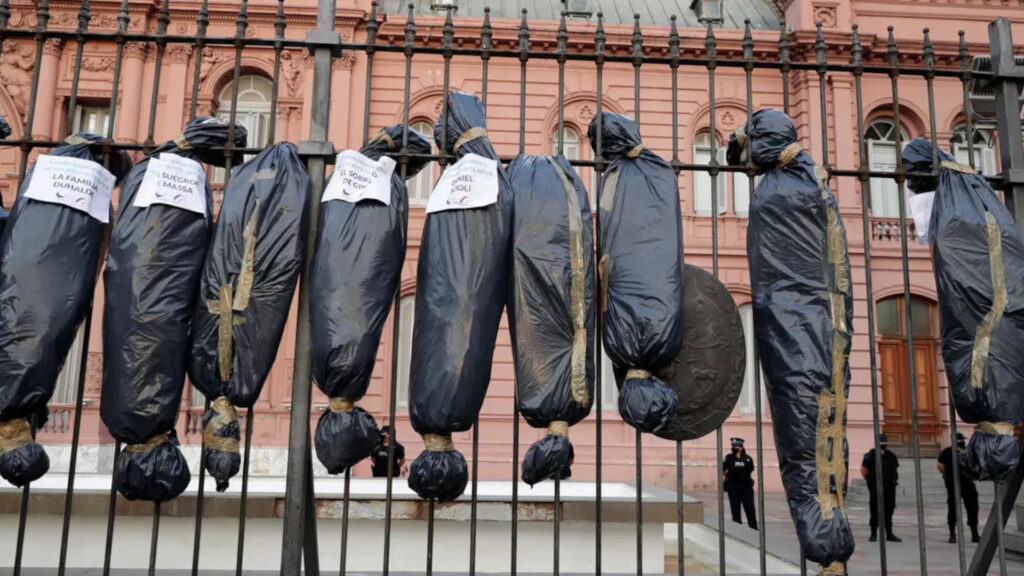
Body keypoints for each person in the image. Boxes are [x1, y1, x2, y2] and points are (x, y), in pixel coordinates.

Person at [938, 432, 980, 543]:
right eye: (960, 440)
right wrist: (948, 476)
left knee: (972, 508)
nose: (962, 442)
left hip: (967, 483)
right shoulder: (947, 452)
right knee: (953, 509)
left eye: (962, 440)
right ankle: (952, 534)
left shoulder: (968, 451)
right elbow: (940, 466)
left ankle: (974, 533)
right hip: (953, 484)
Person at [861, 433, 901, 543]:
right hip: (876, 487)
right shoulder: (870, 455)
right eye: (881, 442)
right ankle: (873, 533)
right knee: (875, 510)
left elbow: (895, 469)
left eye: (884, 442)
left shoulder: (891, 455)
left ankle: (889, 533)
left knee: (889, 509)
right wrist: (870, 482)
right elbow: (864, 470)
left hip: (890, 488)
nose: (883, 444)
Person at [723, 437, 758, 529]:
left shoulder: (747, 458)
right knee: (735, 511)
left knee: (750, 510)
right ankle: (737, 530)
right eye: (733, 446)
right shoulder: (728, 458)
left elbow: (750, 469)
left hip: (746, 488)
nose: (734, 447)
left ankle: (753, 530)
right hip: (733, 488)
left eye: (736, 446)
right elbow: (723, 468)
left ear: (741, 447)